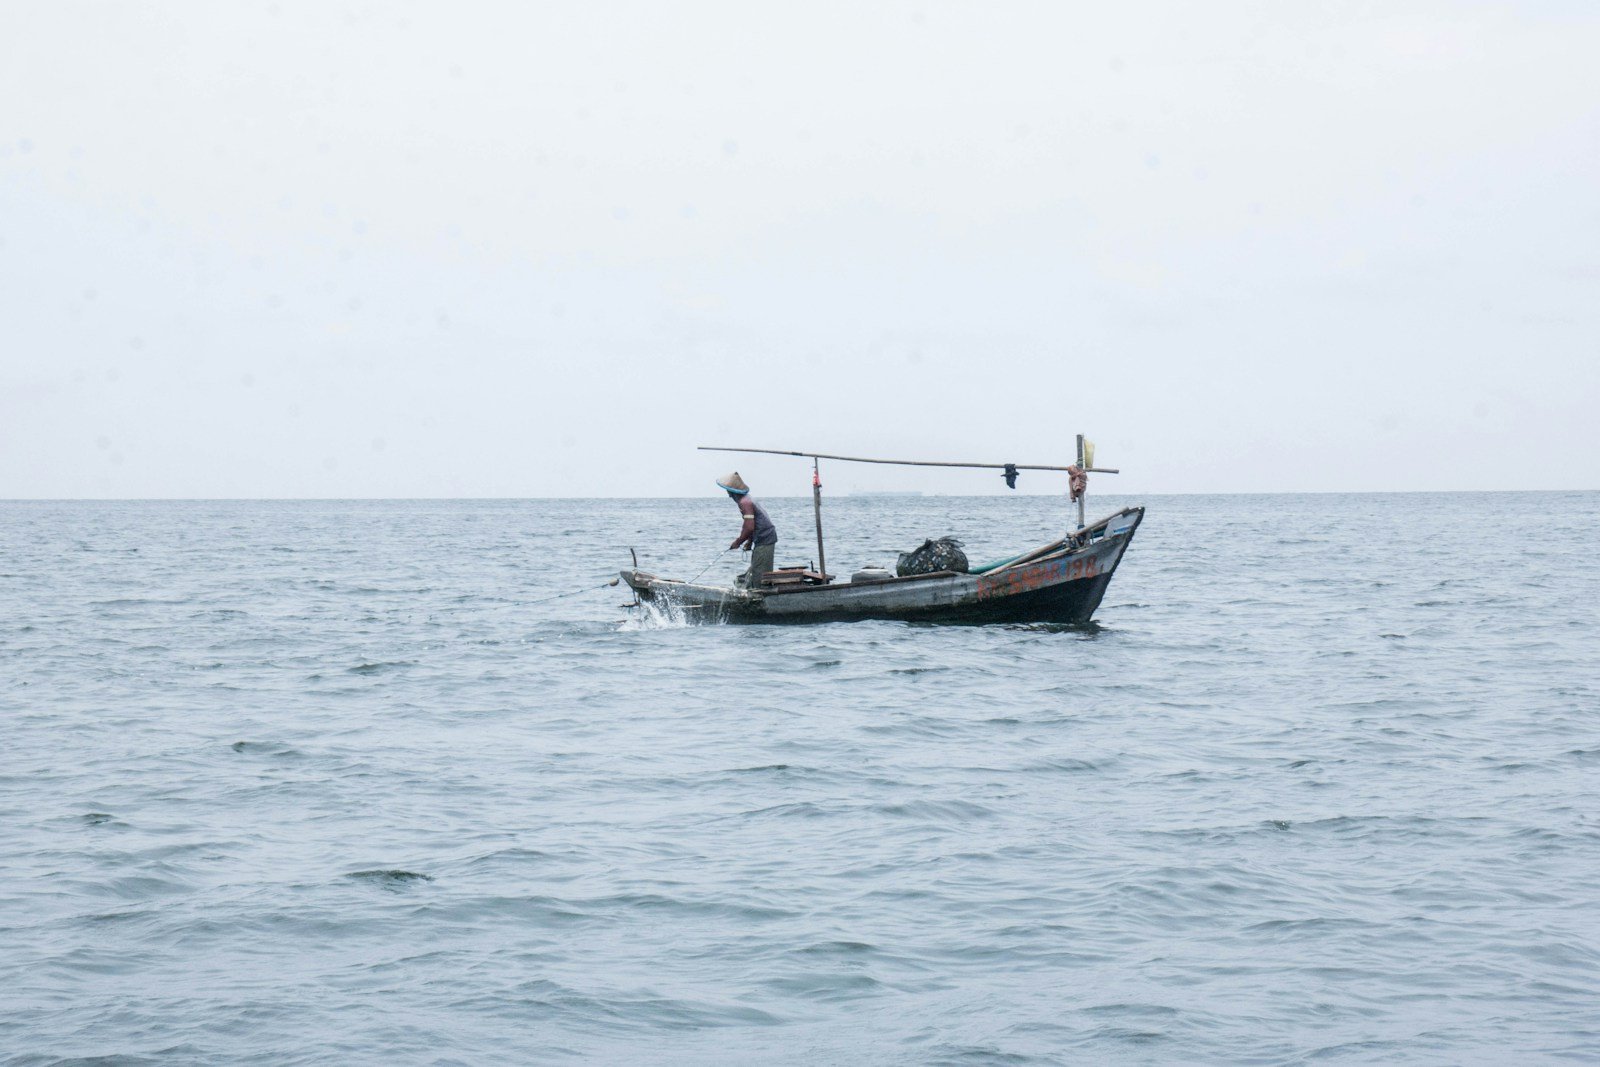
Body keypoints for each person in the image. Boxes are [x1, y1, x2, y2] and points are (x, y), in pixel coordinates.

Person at [718, 472, 778, 588]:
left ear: (733, 491)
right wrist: (749, 541)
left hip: (765, 538)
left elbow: (749, 527)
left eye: (729, 492)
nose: (729, 495)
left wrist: (738, 542)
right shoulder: (747, 499)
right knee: (756, 570)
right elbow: (752, 525)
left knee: (760, 577)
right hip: (762, 538)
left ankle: (760, 600)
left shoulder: (744, 502)